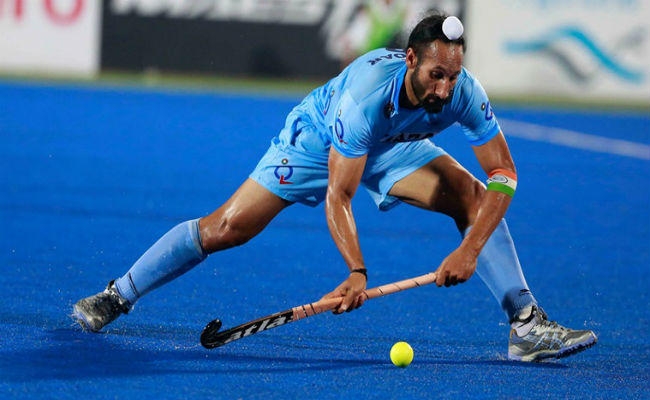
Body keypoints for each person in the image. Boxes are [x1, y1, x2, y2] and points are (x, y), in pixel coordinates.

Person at [72, 13, 597, 362]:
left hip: (393, 145)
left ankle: (525, 324)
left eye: (453, 77)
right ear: (411, 60)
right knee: (226, 228)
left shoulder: (463, 91)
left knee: (474, 199)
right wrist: (356, 272)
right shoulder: (365, 98)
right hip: (321, 140)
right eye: (436, 75)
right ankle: (118, 295)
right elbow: (339, 195)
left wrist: (470, 248)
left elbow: (504, 173)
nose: (444, 89)